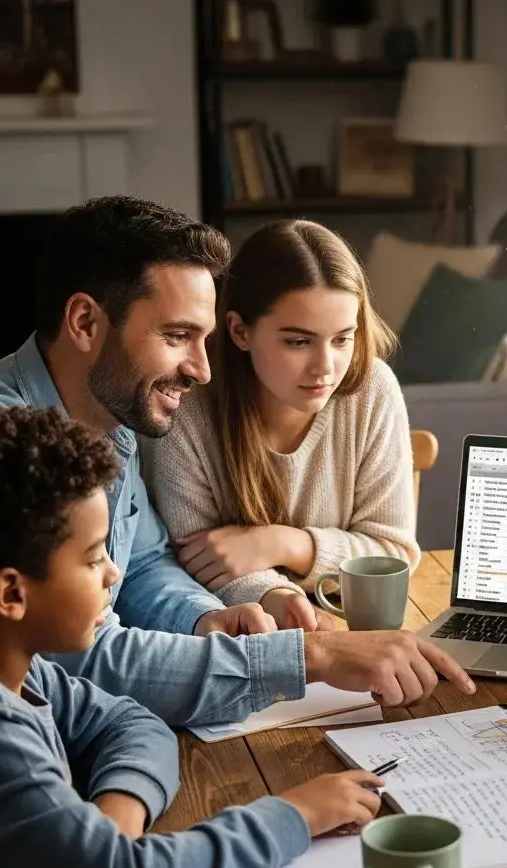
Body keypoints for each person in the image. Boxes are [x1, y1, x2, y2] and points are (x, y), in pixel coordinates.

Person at [0, 196, 474, 727]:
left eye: (203, 338)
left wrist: (205, 617)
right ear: (84, 321)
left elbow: (144, 567)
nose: (202, 370)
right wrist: (313, 658)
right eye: (176, 336)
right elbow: (78, 658)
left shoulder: (112, 420)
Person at [0, 401, 391, 868]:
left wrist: (117, 815)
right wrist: (296, 814)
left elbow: (130, 722)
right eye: (93, 559)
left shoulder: (18, 666)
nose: (112, 573)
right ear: (12, 593)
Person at [141, 220, 419, 632]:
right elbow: (198, 559)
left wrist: (280, 543)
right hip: (245, 630)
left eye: (342, 339)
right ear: (239, 331)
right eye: (298, 341)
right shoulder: (187, 408)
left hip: (350, 628)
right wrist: (278, 597)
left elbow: (393, 556)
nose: (325, 367)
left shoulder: (372, 390)